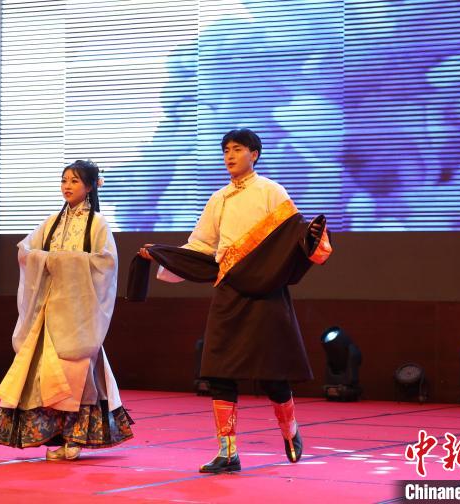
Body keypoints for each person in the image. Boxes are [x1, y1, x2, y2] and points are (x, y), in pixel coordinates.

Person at [138, 128, 332, 473]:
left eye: (237, 149)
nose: (229, 155)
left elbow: (295, 235)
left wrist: (312, 236)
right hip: (229, 292)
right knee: (219, 372)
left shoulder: (271, 191)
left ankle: (290, 431)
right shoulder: (219, 199)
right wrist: (164, 255)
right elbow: (200, 246)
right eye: (226, 149)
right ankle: (227, 453)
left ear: (254, 154)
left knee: (273, 374)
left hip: (266, 290)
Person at [0, 159, 133, 460]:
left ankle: (76, 437)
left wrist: (63, 261)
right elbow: (25, 251)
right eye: (64, 180)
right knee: (47, 375)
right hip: (49, 311)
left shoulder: (97, 224)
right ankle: (58, 437)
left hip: (79, 314)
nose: (67, 186)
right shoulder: (51, 222)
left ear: (90, 186)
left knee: (76, 374)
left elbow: (106, 263)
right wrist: (43, 259)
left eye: (74, 181)